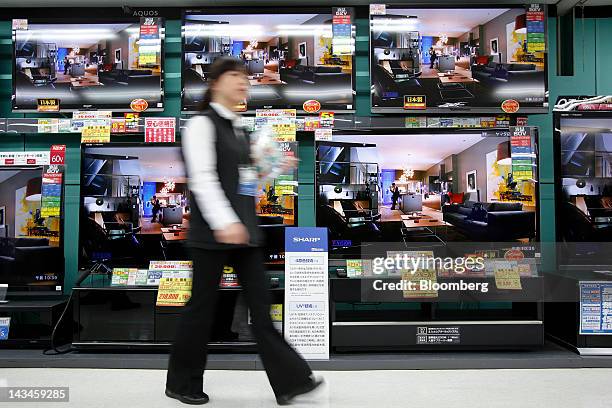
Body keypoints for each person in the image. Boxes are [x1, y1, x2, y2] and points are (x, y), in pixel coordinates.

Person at [165, 57, 322, 406]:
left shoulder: (240, 127)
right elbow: (203, 179)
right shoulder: (201, 126)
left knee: (262, 310)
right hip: (212, 235)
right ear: (216, 82)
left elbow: (245, 183)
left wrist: (274, 169)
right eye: (236, 76)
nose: (243, 83)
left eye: (246, 79)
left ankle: (292, 381)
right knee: (202, 309)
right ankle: (181, 382)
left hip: (245, 233)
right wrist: (225, 222)